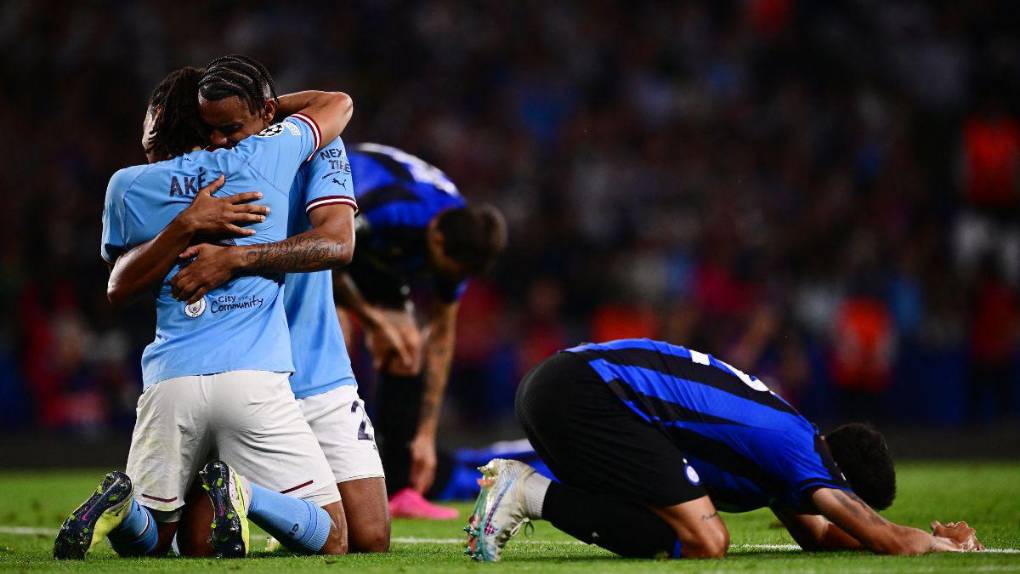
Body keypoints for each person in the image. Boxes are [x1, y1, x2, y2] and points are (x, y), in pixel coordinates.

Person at [54, 64, 353, 560]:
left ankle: (125, 508)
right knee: (334, 533)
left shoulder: (127, 186)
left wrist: (181, 225)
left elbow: (117, 286)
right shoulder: (262, 156)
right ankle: (246, 493)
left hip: (170, 380)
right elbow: (337, 102)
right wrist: (265, 105)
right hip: (253, 378)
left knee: (155, 543)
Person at [466, 339, 985, 561]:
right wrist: (947, 545)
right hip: (585, 395)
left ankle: (532, 491)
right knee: (706, 539)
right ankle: (528, 492)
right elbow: (886, 538)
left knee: (683, 529)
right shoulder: (802, 452)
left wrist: (871, 535)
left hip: (564, 387)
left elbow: (823, 536)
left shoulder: (791, 451)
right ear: (837, 477)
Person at [337, 143, 506, 518]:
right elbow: (325, 256)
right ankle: (311, 472)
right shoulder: (391, 210)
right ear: (436, 239)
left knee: (408, 347)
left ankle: (399, 488)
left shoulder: (461, 240)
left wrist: (426, 435)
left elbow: (442, 339)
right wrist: (372, 318)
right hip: (324, 226)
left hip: (374, 252)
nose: (447, 280)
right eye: (447, 268)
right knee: (336, 333)